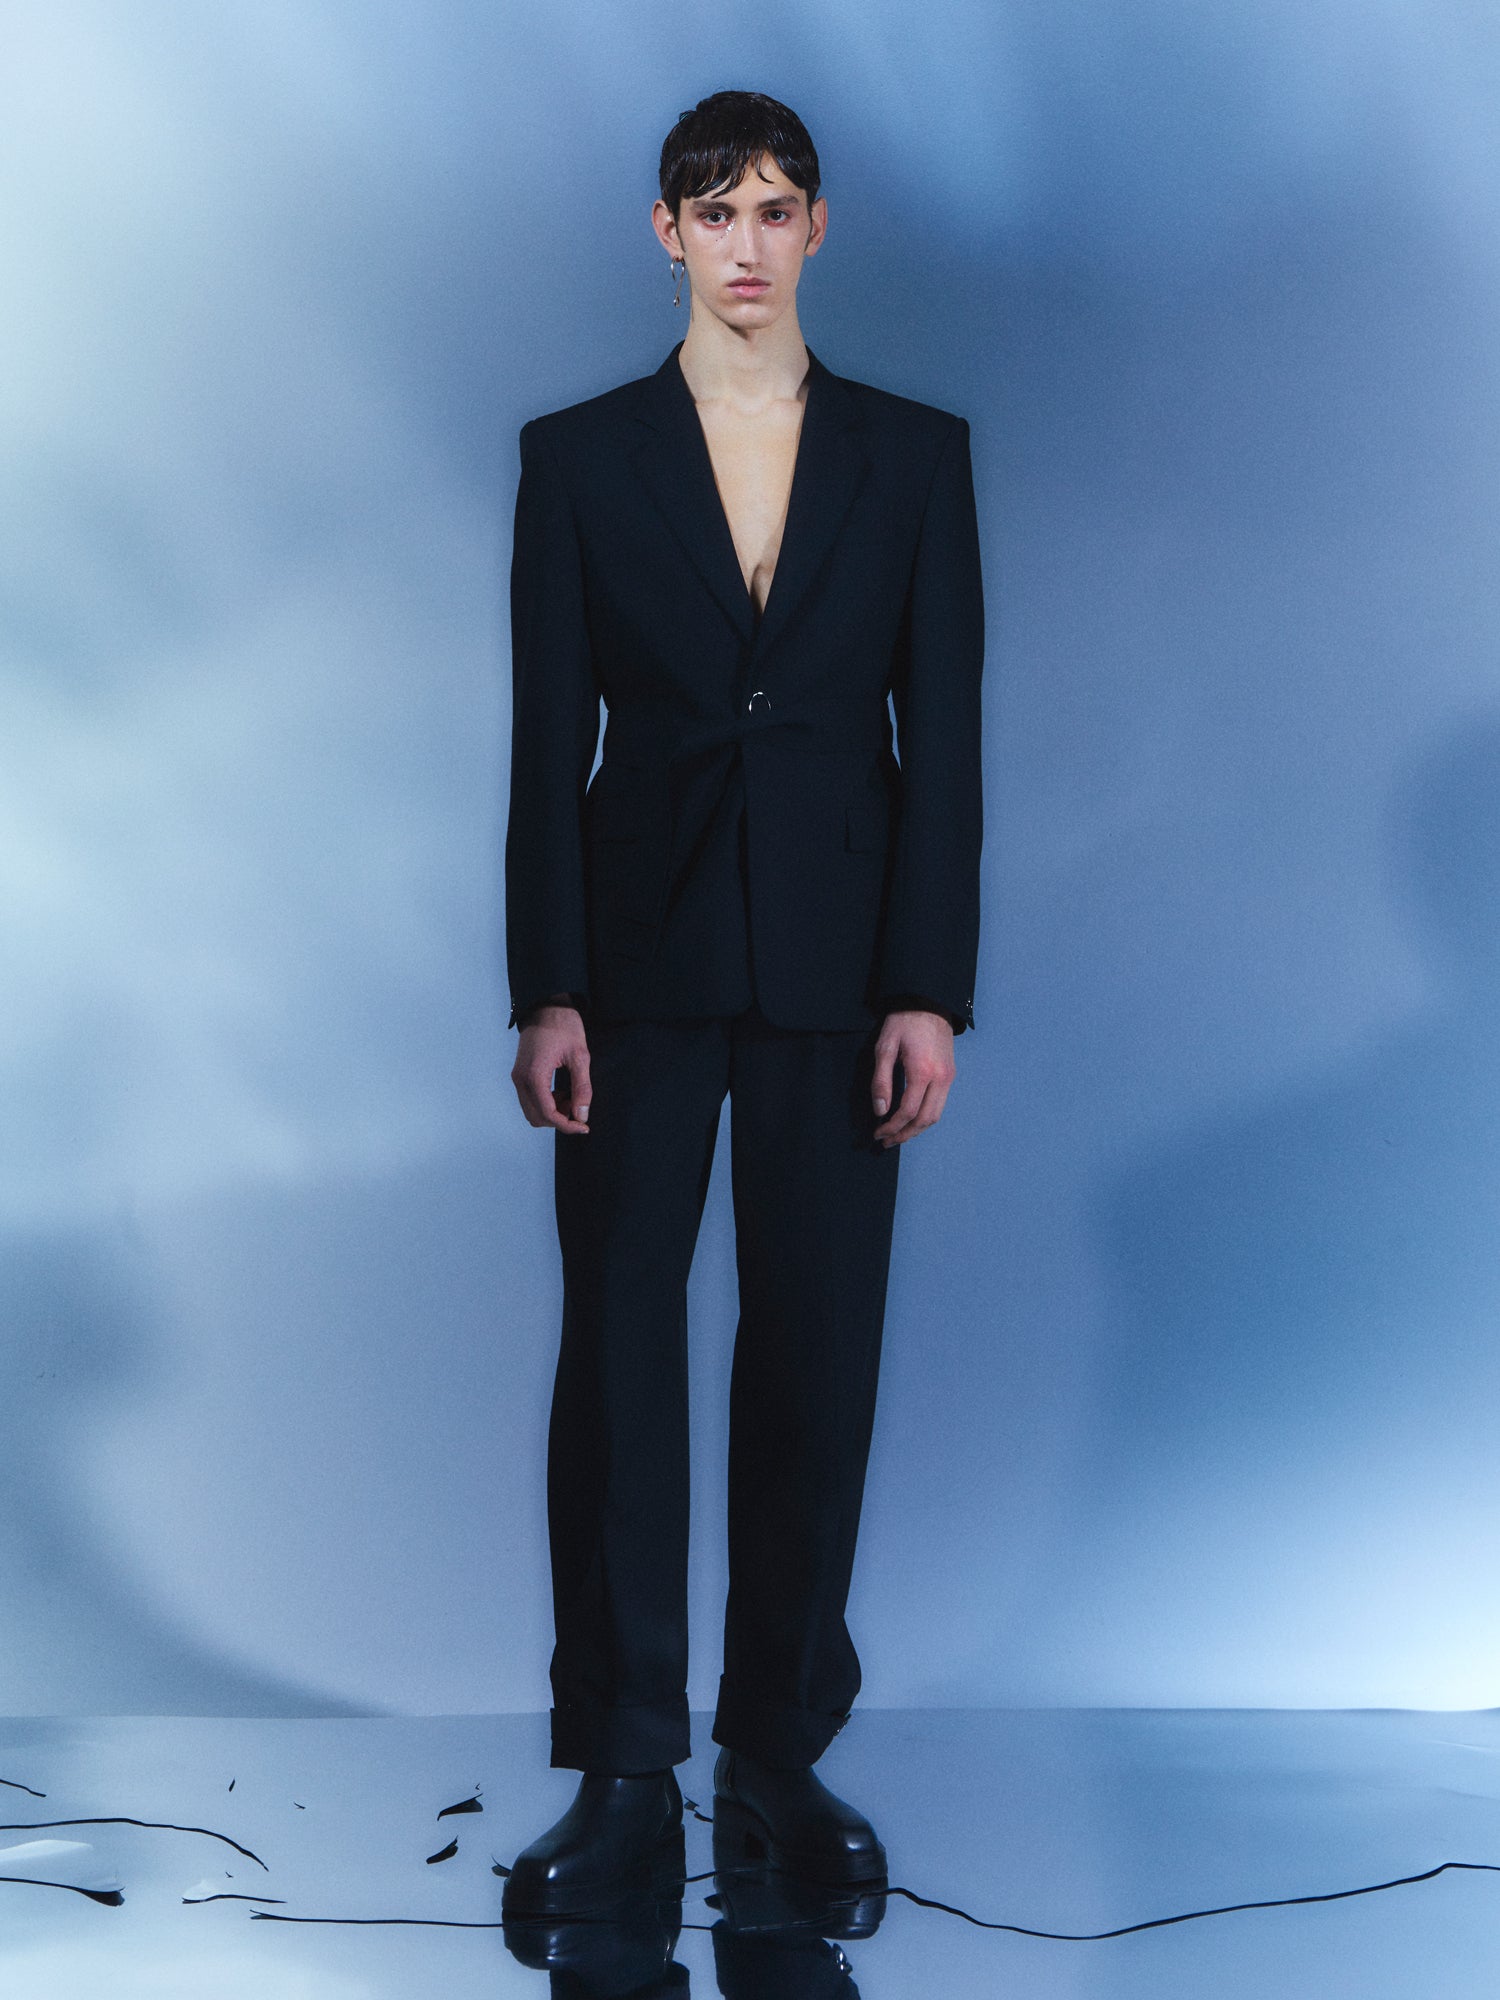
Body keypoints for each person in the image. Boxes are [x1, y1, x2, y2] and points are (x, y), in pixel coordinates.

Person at [500, 88, 984, 1918]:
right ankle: (624, 1773)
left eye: (778, 209)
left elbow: (944, 750)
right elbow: (548, 746)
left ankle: (778, 1753)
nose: (748, 243)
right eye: (717, 212)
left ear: (818, 228)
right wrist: (548, 986)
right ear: (668, 234)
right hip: (634, 966)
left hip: (843, 970)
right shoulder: (578, 458)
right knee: (619, 1366)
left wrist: (927, 990)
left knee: (815, 1365)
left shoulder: (915, 457)